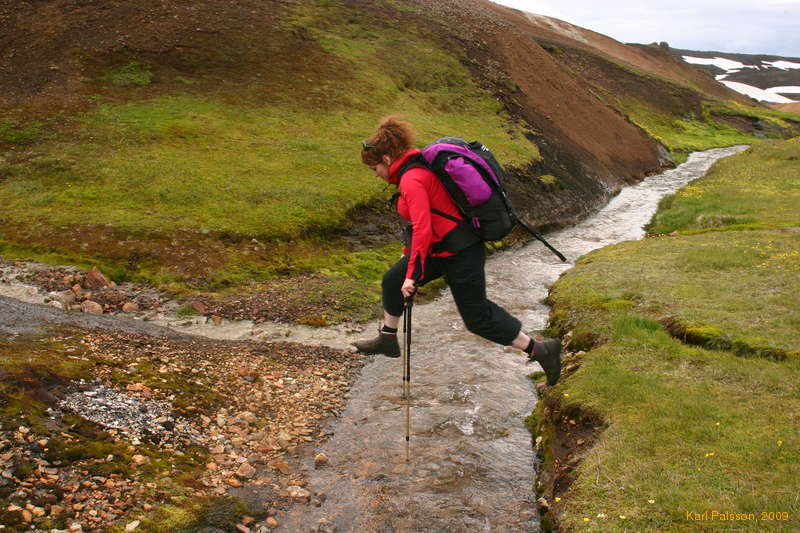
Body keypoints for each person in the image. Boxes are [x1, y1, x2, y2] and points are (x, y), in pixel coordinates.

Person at [353, 117, 562, 386]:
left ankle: (541, 349)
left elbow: (423, 227)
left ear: (386, 158)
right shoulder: (412, 173)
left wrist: (413, 274)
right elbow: (424, 227)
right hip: (440, 252)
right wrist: (408, 260)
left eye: (374, 168)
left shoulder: (412, 180)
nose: (374, 174)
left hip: (462, 253)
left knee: (477, 319)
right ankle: (388, 338)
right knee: (392, 280)